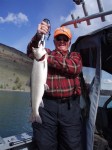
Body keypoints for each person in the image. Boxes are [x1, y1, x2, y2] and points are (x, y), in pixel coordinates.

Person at [27, 20, 83, 150]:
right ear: (54, 42)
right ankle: (34, 115)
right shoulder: (46, 52)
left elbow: (74, 67)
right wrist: (38, 35)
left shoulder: (75, 55)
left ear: (69, 42)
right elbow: (32, 51)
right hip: (47, 108)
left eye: (65, 39)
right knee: (44, 145)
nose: (62, 41)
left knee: (72, 145)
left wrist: (46, 58)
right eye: (59, 38)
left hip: (70, 109)